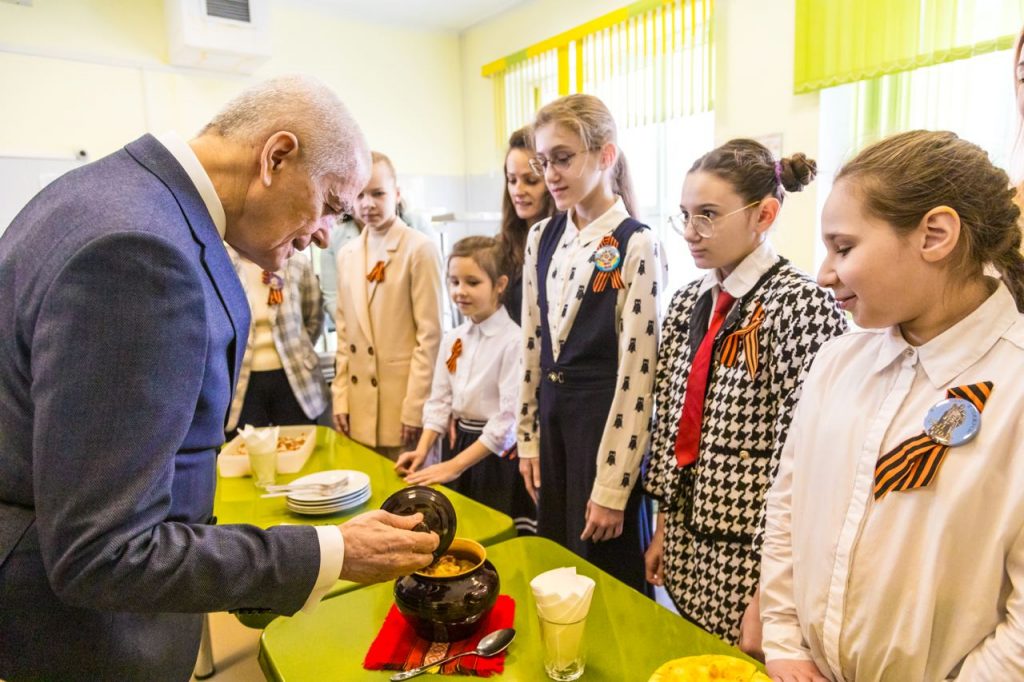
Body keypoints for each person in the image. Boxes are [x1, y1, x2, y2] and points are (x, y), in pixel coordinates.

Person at [0, 75, 438, 680]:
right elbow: (106, 550)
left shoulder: (110, 195)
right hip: (90, 640)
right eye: (331, 206)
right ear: (276, 157)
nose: (322, 236)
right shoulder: (139, 251)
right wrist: (331, 551)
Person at [760, 130, 1024, 681]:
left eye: (844, 248)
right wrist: (785, 639)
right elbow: (788, 508)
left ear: (934, 235)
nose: (823, 273)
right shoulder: (837, 362)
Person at [642, 139, 847, 648]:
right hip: (688, 535)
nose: (691, 232)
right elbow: (673, 417)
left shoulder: (801, 306)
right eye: (685, 215)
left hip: (751, 553)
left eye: (708, 215)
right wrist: (664, 522)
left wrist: (769, 593)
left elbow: (802, 460)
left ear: (764, 215)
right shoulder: (688, 300)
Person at [517, 93, 664, 592]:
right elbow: (532, 344)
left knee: (606, 574)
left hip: (604, 426)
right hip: (554, 423)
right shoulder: (542, 236)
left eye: (563, 158)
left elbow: (639, 375)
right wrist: (528, 437)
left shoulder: (635, 243)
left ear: (605, 156)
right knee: (557, 570)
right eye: (543, 161)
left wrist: (614, 486)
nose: (550, 175)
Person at [395, 236, 536, 534]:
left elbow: (507, 420)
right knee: (460, 529)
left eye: (472, 282)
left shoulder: (514, 341)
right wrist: (422, 451)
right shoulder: (453, 338)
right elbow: (439, 400)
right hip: (457, 443)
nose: (460, 291)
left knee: (494, 531)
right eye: (454, 281)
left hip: (494, 455)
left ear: (500, 285)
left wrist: (455, 465)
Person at [332, 151, 443, 460]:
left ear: (397, 194)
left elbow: (430, 338)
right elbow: (344, 336)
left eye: (378, 194)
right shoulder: (347, 254)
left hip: (403, 405)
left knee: (411, 487)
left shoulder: (419, 249)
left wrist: (416, 407)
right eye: (359, 195)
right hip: (360, 407)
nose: (367, 204)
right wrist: (341, 398)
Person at [224, 249, 329, 437]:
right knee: (247, 449)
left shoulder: (296, 261)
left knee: (299, 445)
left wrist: (298, 347)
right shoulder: (222, 261)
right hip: (242, 382)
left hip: (295, 375)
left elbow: (314, 317)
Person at [500, 126, 556, 325]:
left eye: (531, 181)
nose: (518, 190)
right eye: (512, 180)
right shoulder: (502, 247)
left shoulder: (565, 244)